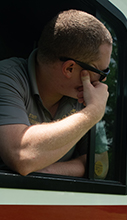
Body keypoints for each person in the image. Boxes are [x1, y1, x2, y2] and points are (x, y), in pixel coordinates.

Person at [0, 9, 112, 177]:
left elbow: (100, 164)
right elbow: (22, 157)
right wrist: (93, 113)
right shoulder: (7, 77)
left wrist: (46, 171)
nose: (102, 83)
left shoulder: (82, 96)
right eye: (102, 73)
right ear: (69, 68)